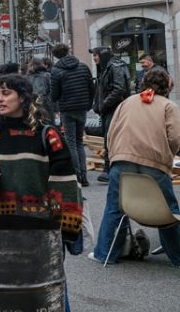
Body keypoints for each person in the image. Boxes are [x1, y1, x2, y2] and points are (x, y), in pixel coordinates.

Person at [0, 73, 83, 310]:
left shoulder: (47, 134)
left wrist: (67, 229)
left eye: (6, 93)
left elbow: (65, 182)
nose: (0, 99)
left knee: (51, 288)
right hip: (5, 226)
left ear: (22, 97)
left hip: (42, 227)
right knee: (10, 288)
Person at [90, 69, 180, 267]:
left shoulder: (127, 102)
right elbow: (175, 138)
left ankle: (105, 253)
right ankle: (177, 256)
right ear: (167, 86)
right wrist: (167, 155)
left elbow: (111, 131)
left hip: (121, 159)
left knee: (115, 208)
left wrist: (114, 155)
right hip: (154, 163)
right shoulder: (168, 106)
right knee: (168, 211)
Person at [50, 43, 95, 187]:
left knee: (70, 142)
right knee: (79, 141)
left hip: (67, 109)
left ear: (56, 55)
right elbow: (91, 87)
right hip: (82, 107)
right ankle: (84, 174)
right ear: (68, 51)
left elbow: (54, 94)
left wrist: (56, 102)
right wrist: (88, 104)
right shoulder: (83, 67)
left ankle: (77, 175)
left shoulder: (56, 70)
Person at [91, 46, 130, 182]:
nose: (94, 58)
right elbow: (101, 88)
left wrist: (104, 104)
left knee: (111, 140)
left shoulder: (114, 66)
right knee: (108, 139)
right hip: (107, 109)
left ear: (102, 55)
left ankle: (110, 170)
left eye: (96, 55)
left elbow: (119, 89)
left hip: (114, 109)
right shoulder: (105, 67)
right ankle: (110, 170)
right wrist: (97, 105)